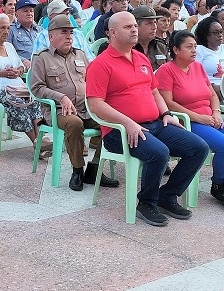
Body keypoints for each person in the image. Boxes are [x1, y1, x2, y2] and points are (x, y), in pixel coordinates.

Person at [86, 11, 210, 226]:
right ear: (113, 33)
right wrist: (127, 123)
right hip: (119, 131)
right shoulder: (101, 64)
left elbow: (154, 92)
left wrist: (166, 114)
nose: (134, 29)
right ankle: (146, 203)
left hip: (155, 123)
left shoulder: (141, 57)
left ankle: (167, 195)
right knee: (158, 153)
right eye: (128, 27)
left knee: (198, 148)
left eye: (135, 25)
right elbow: (96, 104)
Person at [157, 30, 224, 209]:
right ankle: (217, 184)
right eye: (189, 47)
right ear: (176, 50)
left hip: (209, 116)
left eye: (195, 47)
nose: (194, 51)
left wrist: (215, 112)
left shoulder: (197, 67)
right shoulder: (166, 71)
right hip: (189, 120)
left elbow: (212, 94)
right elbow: (168, 103)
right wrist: (199, 117)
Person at [29, 15, 119, 191]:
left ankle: (94, 168)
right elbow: (37, 88)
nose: (69, 36)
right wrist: (60, 97)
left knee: (112, 123)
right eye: (64, 32)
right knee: (74, 124)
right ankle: (77, 170)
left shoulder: (80, 54)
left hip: (86, 108)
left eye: (71, 32)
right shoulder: (41, 58)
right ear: (51, 36)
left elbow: (92, 80)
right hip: (59, 111)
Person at [0, 13, 46, 149]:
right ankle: (37, 144)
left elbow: (21, 65)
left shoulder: (9, 46)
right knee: (18, 103)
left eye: (8, 28)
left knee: (35, 100)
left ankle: (41, 140)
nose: (6, 32)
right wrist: (2, 73)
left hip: (18, 86)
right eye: (2, 28)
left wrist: (18, 70)